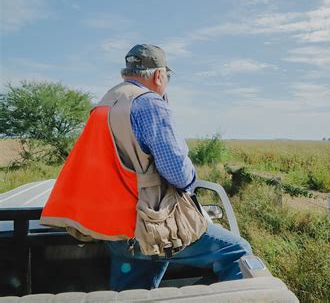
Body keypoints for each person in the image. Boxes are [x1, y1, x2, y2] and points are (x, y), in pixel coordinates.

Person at [40, 44, 252, 291]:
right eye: (167, 77)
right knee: (237, 251)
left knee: (133, 293)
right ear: (159, 75)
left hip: (114, 228)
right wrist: (190, 179)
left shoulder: (105, 102)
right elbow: (179, 174)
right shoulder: (148, 103)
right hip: (148, 225)